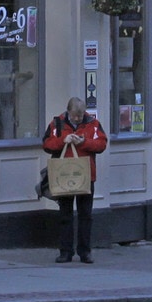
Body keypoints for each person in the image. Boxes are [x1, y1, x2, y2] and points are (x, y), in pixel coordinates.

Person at [42, 96, 107, 263]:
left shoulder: (93, 124)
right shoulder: (57, 123)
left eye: (80, 115)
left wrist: (83, 142)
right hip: (64, 175)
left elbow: (101, 144)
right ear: (68, 112)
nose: (77, 119)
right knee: (65, 215)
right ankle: (66, 251)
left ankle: (85, 251)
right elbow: (47, 144)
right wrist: (63, 141)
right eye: (74, 116)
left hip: (85, 175)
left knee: (86, 215)